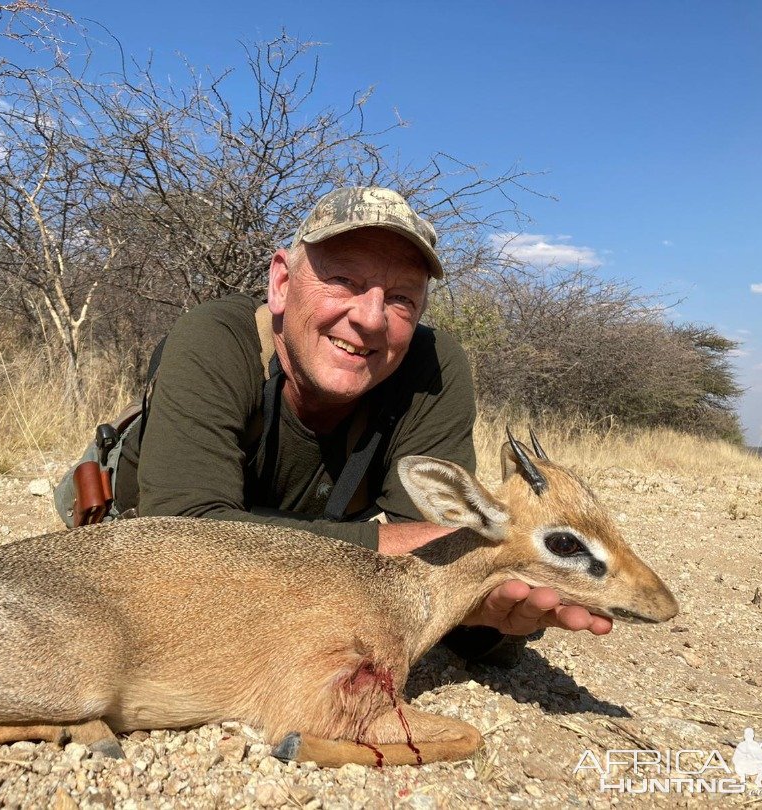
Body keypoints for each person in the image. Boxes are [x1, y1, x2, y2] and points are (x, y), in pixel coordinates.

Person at [65, 187, 612, 665]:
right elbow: (185, 541)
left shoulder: (433, 367)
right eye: (344, 280)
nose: (371, 318)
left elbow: (432, 565)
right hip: (141, 535)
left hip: (287, 547)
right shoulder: (214, 338)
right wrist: (430, 554)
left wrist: (483, 614)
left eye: (401, 298)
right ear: (281, 282)